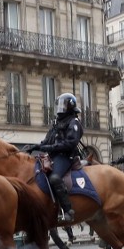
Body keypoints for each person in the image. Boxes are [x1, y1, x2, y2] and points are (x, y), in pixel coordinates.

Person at [30, 93, 82, 223]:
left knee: (54, 178)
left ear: (70, 106)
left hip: (66, 156)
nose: (60, 108)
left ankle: (68, 210)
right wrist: (35, 147)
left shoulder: (74, 122)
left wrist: (51, 148)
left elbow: (71, 142)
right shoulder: (57, 123)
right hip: (54, 155)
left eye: (63, 105)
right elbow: (47, 140)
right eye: (59, 105)